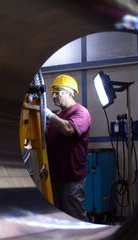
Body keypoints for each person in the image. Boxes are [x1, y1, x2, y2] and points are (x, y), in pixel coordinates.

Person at [44, 74, 91, 221]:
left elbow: (69, 130)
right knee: (60, 221)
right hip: (55, 179)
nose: (54, 96)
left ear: (70, 93)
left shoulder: (81, 112)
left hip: (71, 181)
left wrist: (49, 115)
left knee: (75, 220)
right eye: (53, 93)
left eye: (58, 92)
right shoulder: (59, 115)